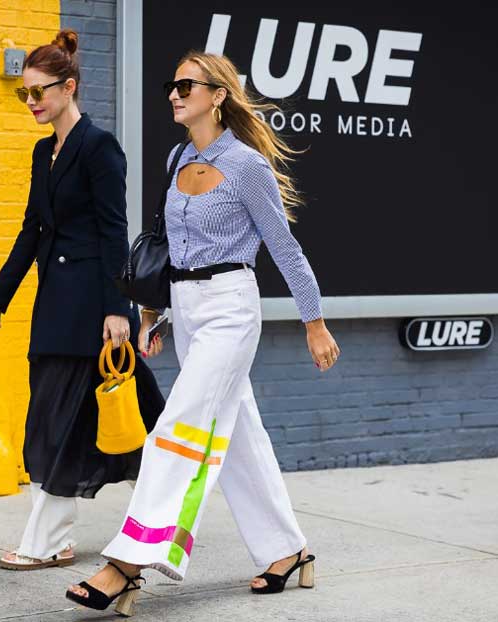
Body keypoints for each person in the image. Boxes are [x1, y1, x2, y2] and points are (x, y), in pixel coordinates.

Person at [66, 50, 340, 614]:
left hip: (230, 309)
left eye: (186, 84)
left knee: (178, 424)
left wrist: (314, 323)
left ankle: (129, 561)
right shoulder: (176, 157)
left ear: (218, 94)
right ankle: (287, 550)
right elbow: (169, 246)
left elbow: (285, 249)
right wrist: (151, 312)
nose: (174, 92)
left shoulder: (247, 166)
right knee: (240, 439)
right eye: (172, 84)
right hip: (187, 309)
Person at [0, 28, 164, 571]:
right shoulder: (44, 153)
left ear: (70, 86)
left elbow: (115, 231)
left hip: (92, 311)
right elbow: (31, 233)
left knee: (65, 427)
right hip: (53, 309)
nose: (31, 102)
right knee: (76, 424)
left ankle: (45, 542)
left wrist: (117, 309)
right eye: (25, 94)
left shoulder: (99, 146)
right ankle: (166, 507)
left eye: (39, 92)